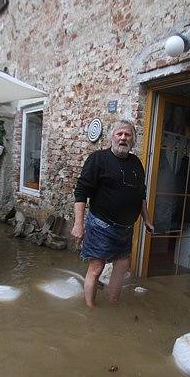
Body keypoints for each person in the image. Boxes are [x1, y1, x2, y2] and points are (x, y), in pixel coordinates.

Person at [72, 120, 154, 307]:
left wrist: (147, 219)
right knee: (97, 267)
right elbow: (81, 192)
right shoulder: (98, 159)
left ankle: (112, 305)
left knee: (121, 268)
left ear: (133, 140)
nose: (123, 138)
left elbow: (141, 194)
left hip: (125, 228)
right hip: (101, 224)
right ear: (112, 137)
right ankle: (90, 309)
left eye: (128, 135)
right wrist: (78, 224)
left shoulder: (136, 163)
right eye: (120, 134)